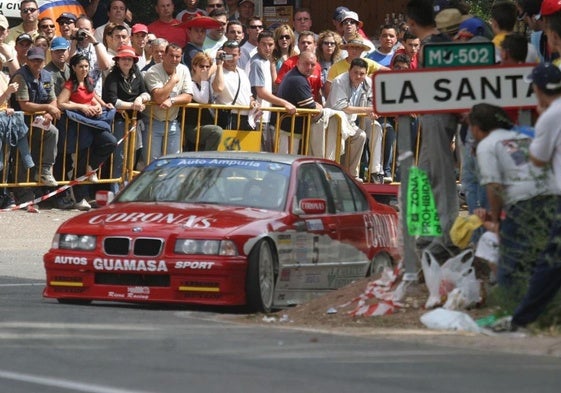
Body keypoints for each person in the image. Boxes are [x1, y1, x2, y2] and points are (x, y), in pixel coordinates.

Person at [470, 102, 560, 311]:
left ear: (476, 127)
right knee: (543, 257)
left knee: (511, 264)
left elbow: (494, 186)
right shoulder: (523, 137)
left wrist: (497, 218)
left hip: (524, 204)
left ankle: (515, 312)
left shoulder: (487, 145)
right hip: (552, 197)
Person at [504, 62, 561, 331]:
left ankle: (522, 319)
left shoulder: (551, 116)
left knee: (550, 263)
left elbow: (538, 160)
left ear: (538, 89)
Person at [406, 0, 461, 260]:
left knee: (441, 175)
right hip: (433, 115)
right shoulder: (439, 43)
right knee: (425, 173)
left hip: (439, 115)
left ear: (412, 23)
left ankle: (446, 239)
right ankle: (427, 234)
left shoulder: (434, 45)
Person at [58, 53, 117, 210]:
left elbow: (93, 96)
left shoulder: (90, 81)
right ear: (74, 68)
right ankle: (79, 198)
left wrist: (102, 106)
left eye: (86, 66)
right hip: (78, 126)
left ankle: (92, 167)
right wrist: (81, 107)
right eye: (81, 66)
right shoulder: (70, 84)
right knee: (81, 159)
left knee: (110, 142)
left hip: (94, 124)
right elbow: (61, 103)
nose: (84, 69)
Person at [11, 46, 59, 193]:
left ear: (44, 61)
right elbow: (24, 105)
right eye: (33, 60)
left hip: (37, 122)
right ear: (27, 60)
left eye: (40, 60)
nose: (37, 63)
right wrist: (48, 108)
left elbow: (53, 99)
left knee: (53, 132)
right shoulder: (21, 76)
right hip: (19, 123)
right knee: (22, 159)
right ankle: (22, 195)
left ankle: (45, 170)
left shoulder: (46, 75)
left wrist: (49, 114)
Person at [102, 45, 150, 193]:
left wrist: (140, 99)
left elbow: (147, 93)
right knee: (120, 157)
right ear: (118, 60)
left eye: (129, 59)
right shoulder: (112, 76)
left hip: (135, 120)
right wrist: (132, 106)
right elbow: (113, 100)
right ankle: (116, 190)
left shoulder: (136, 73)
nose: (126, 62)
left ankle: (128, 188)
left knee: (134, 154)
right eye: (123, 59)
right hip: (119, 120)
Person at [326, 58, 379, 181]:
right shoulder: (340, 81)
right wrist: (367, 110)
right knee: (334, 151)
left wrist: (372, 112)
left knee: (361, 136)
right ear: (349, 70)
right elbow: (341, 106)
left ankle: (351, 175)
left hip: (350, 121)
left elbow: (371, 102)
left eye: (362, 73)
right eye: (355, 72)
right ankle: (330, 176)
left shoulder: (367, 82)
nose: (358, 76)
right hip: (334, 121)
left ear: (366, 73)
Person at [143, 43, 193, 162]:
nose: (174, 59)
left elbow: (188, 97)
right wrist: (172, 81)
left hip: (173, 123)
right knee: (152, 164)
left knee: (173, 163)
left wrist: (172, 100)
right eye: (171, 55)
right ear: (164, 55)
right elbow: (159, 98)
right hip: (152, 122)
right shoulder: (153, 71)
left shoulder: (184, 69)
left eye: (177, 56)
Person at [249, 30, 296, 151]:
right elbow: (261, 92)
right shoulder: (256, 62)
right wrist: (284, 103)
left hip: (266, 116)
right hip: (258, 118)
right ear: (258, 44)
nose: (267, 48)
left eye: (270, 44)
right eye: (263, 44)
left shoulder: (267, 61)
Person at [275, 51, 322, 154]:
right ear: (298, 63)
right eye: (306, 63)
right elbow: (311, 109)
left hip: (289, 129)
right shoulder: (298, 80)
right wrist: (319, 107)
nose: (309, 67)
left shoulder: (295, 75)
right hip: (289, 131)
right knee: (286, 164)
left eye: (313, 64)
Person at [211, 40, 256, 131]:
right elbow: (218, 88)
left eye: (234, 55)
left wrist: (253, 102)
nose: (230, 58)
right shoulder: (217, 72)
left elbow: (249, 95)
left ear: (240, 55)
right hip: (229, 117)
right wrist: (219, 64)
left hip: (246, 118)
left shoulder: (242, 73)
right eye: (227, 54)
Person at [185, 52, 222, 151]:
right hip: (192, 127)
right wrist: (205, 80)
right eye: (202, 66)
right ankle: (208, 159)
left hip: (206, 124)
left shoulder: (207, 83)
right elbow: (204, 100)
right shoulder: (189, 83)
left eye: (207, 67)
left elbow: (219, 89)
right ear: (194, 66)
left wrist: (219, 65)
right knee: (216, 131)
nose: (205, 69)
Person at [69, 15, 113, 96]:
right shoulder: (70, 45)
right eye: (80, 29)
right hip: (76, 95)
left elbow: (105, 66)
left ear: (93, 31)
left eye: (86, 30)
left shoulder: (99, 46)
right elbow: (71, 65)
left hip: (96, 96)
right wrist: (74, 39)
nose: (83, 32)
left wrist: (95, 42)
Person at [275, 31, 323, 103]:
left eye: (309, 43)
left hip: (312, 109)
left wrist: (320, 105)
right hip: (294, 109)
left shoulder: (317, 66)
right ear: (298, 45)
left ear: (315, 45)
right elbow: (279, 87)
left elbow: (318, 90)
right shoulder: (288, 63)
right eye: (303, 42)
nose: (306, 45)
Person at [316, 30, 343, 96]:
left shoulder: (340, 63)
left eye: (332, 43)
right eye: (326, 43)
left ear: (336, 46)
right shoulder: (315, 62)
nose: (329, 45)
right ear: (321, 45)